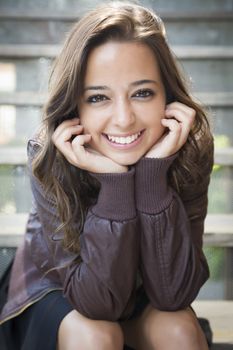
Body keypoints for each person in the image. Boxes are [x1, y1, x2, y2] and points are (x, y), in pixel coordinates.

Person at [0, 2, 214, 349]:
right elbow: (97, 303)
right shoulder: (52, 153)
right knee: (97, 335)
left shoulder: (186, 148)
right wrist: (114, 184)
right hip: (61, 286)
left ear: (167, 96)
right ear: (75, 107)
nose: (124, 119)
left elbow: (172, 293)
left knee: (179, 331)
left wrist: (151, 177)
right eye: (98, 97)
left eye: (142, 93)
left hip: (145, 286)